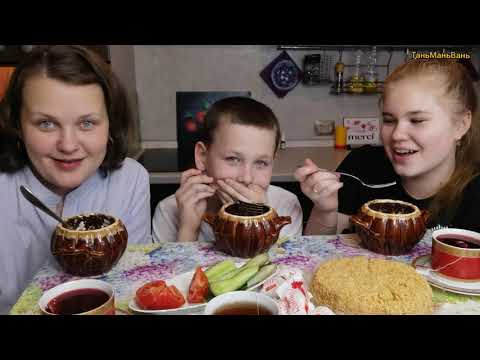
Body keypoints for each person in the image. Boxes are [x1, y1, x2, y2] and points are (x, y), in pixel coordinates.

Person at [0, 45, 151, 314]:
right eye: (46, 123)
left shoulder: (130, 179)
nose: (68, 145)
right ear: (17, 125)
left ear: (110, 125)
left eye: (87, 123)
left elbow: (133, 285)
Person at [295, 58, 480, 235]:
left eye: (417, 120)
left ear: (461, 125)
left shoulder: (473, 193)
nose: (397, 134)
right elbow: (314, 256)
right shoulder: (361, 166)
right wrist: (325, 210)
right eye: (389, 120)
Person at [152, 96, 303, 242]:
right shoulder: (169, 211)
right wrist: (188, 230)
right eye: (233, 159)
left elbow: (281, 267)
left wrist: (258, 221)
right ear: (202, 156)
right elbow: (176, 268)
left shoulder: (287, 206)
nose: (246, 178)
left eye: (261, 163)